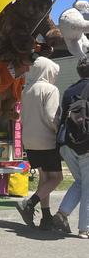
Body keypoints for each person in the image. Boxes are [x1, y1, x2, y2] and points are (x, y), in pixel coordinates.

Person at [16, 56, 62, 230]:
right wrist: (59, 131)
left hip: (30, 140)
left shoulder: (26, 90)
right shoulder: (50, 89)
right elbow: (52, 117)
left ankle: (46, 217)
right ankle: (29, 203)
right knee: (56, 178)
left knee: (44, 178)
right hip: (47, 140)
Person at [53, 56, 89, 238]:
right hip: (86, 146)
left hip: (68, 145)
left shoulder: (68, 91)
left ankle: (62, 214)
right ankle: (85, 228)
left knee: (82, 182)